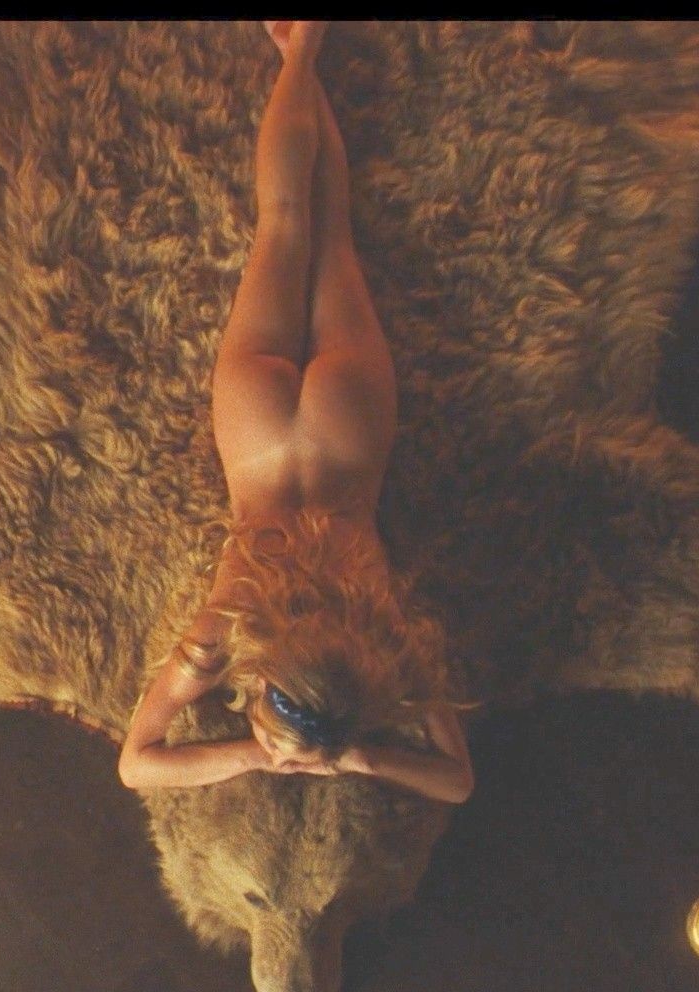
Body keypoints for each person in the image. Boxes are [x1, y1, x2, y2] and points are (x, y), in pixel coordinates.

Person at [117, 21, 473, 805]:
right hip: (258, 430)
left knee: (329, 232)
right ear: (265, 682)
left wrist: (353, 756)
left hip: (347, 429)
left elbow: (458, 782)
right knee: (282, 225)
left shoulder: (387, 639)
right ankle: (299, 55)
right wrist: (254, 754)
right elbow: (136, 764)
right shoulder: (222, 632)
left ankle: (303, 50)